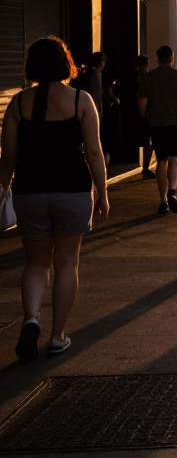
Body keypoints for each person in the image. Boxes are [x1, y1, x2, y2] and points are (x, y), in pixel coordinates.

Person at [0, 37, 109, 361]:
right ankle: (57, 336)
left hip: (29, 191)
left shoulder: (18, 104)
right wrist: (102, 193)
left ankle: (31, 318)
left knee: (35, 263)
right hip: (72, 190)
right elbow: (93, 151)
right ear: (65, 64)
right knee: (66, 262)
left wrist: (2, 187)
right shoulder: (81, 100)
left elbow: (7, 157)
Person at [137, 45, 177, 215]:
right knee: (175, 159)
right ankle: (172, 191)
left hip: (157, 124)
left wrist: (147, 118)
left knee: (161, 160)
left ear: (158, 58)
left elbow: (141, 105)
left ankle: (163, 200)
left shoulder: (148, 78)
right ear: (172, 58)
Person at [114, 55, 154, 178]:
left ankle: (145, 167)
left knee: (147, 141)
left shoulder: (146, 77)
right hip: (137, 112)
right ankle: (143, 167)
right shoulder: (139, 78)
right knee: (145, 141)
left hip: (140, 112)